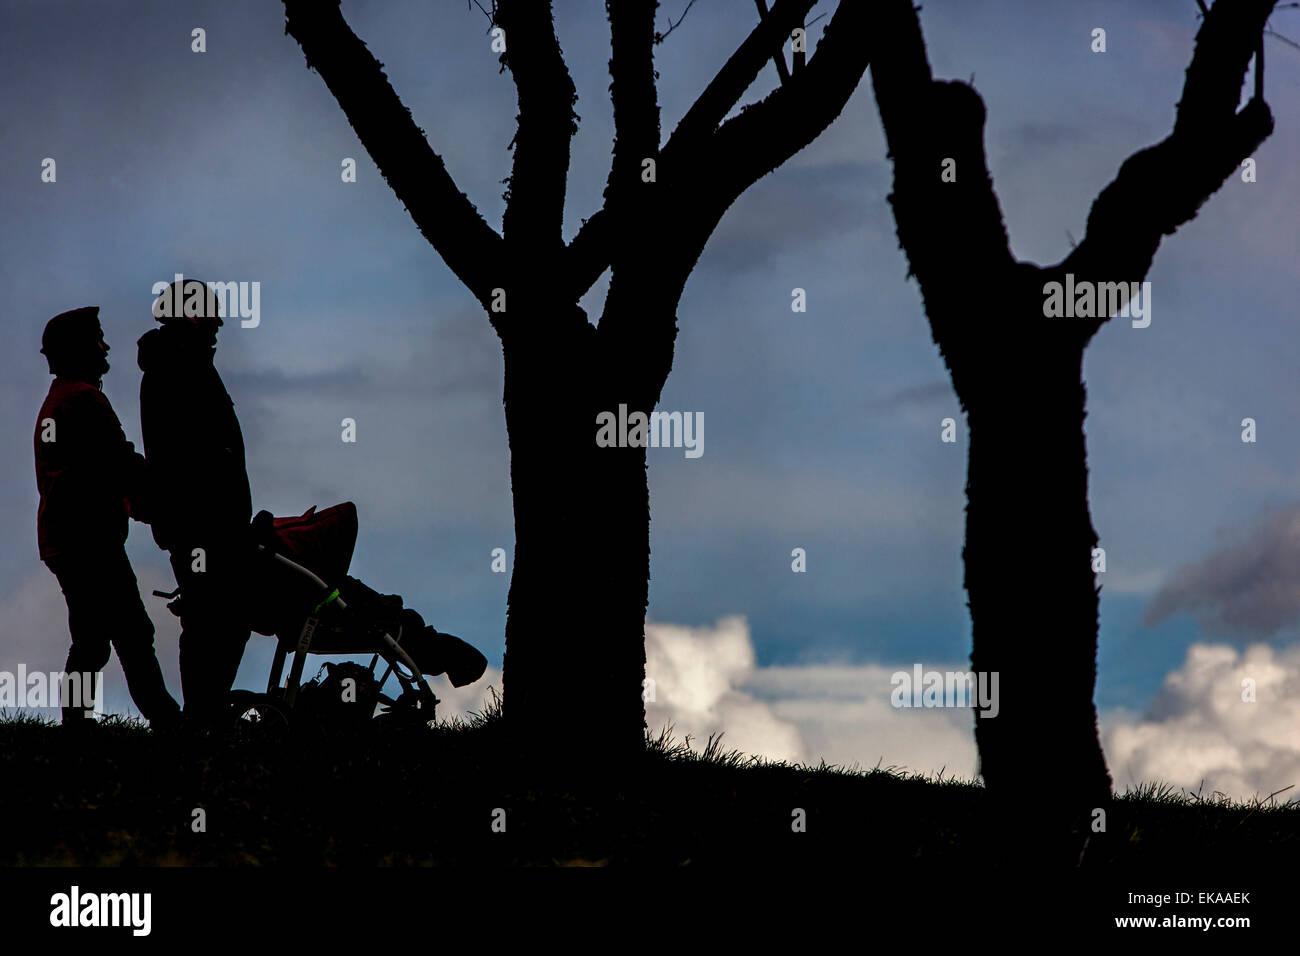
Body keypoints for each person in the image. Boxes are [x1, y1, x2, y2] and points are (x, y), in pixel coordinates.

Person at [34, 306, 182, 730]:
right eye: (98, 338)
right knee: (132, 633)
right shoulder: (84, 399)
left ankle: (78, 724)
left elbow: (105, 469)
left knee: (93, 638)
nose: (106, 346)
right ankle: (167, 721)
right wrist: (164, 504)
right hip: (89, 540)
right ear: (79, 349)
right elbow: (121, 464)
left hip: (68, 539)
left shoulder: (60, 401)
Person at [137, 279, 253, 721]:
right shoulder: (179, 367)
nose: (219, 322)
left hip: (202, 521)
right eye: (210, 313)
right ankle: (203, 715)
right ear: (190, 316)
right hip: (201, 523)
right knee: (216, 617)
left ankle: (204, 713)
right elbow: (190, 457)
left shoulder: (182, 364)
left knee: (215, 616)